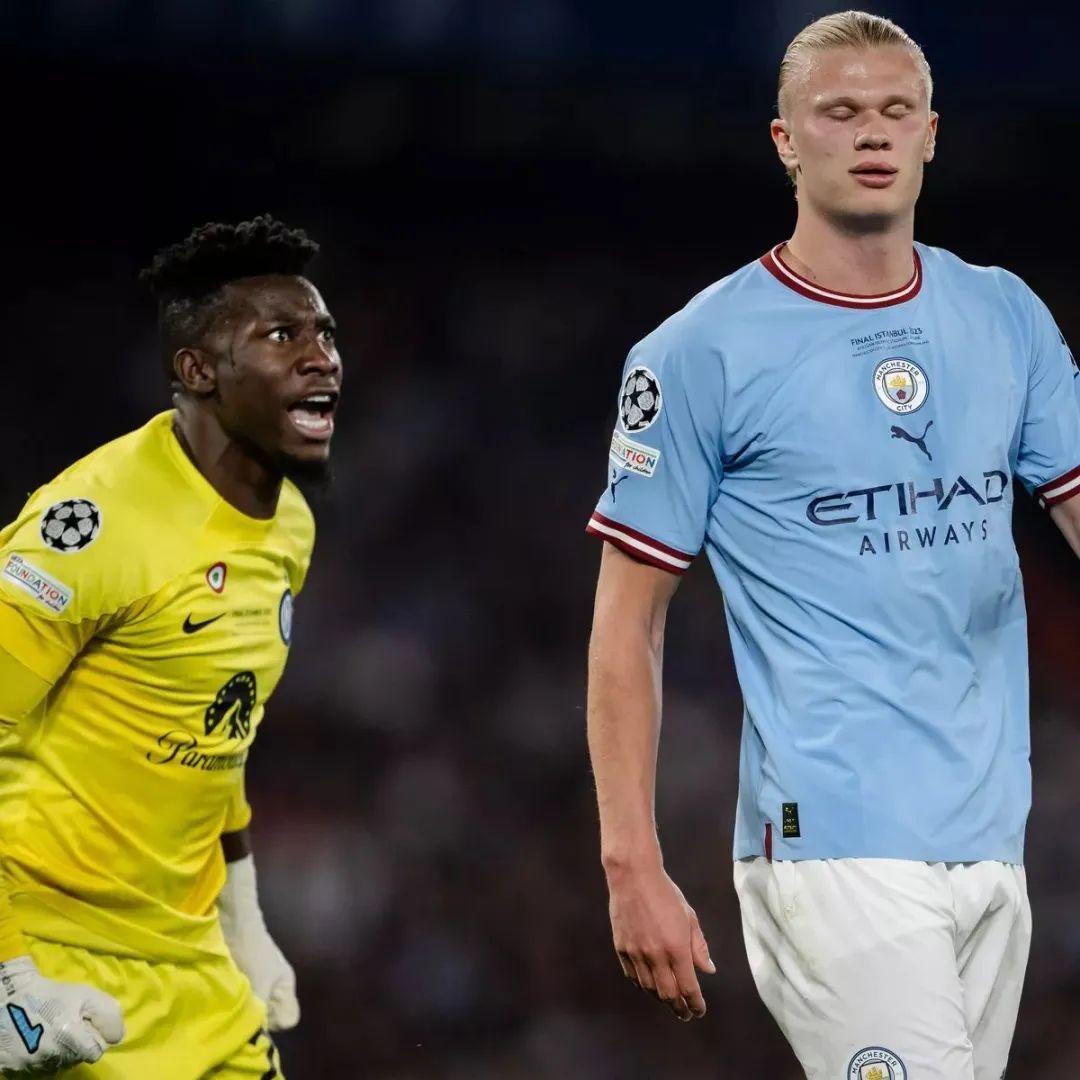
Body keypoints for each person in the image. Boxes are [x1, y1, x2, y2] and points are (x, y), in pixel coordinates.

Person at [585, 11, 1080, 1079]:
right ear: (784, 140)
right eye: (840, 110)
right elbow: (628, 623)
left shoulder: (1005, 317)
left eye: (896, 110)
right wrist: (631, 864)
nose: (872, 132)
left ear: (931, 134)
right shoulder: (699, 352)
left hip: (992, 839)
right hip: (830, 844)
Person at [0, 214, 342, 1077]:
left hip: (192, 964)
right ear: (197, 371)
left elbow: (215, 735)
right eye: (283, 335)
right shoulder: (94, 525)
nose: (322, 358)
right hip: (56, 963)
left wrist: (243, 915)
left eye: (325, 333)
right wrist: (8, 977)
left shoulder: (289, 527)